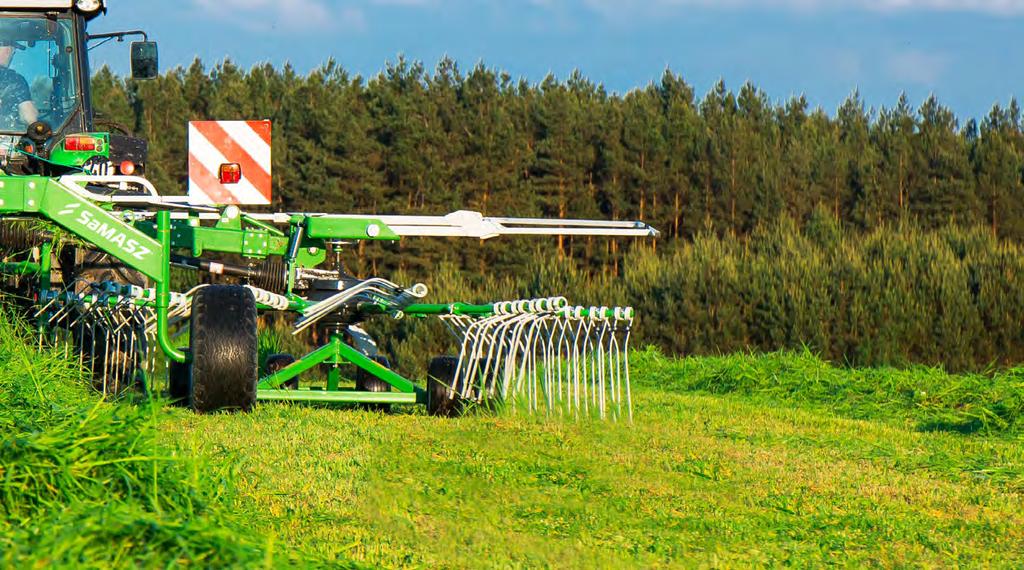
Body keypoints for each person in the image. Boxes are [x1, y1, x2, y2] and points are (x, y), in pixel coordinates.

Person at [0, 39, 37, 127]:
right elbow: (29, 115)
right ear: (8, 50)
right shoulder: (13, 80)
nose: (12, 55)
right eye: (14, 51)